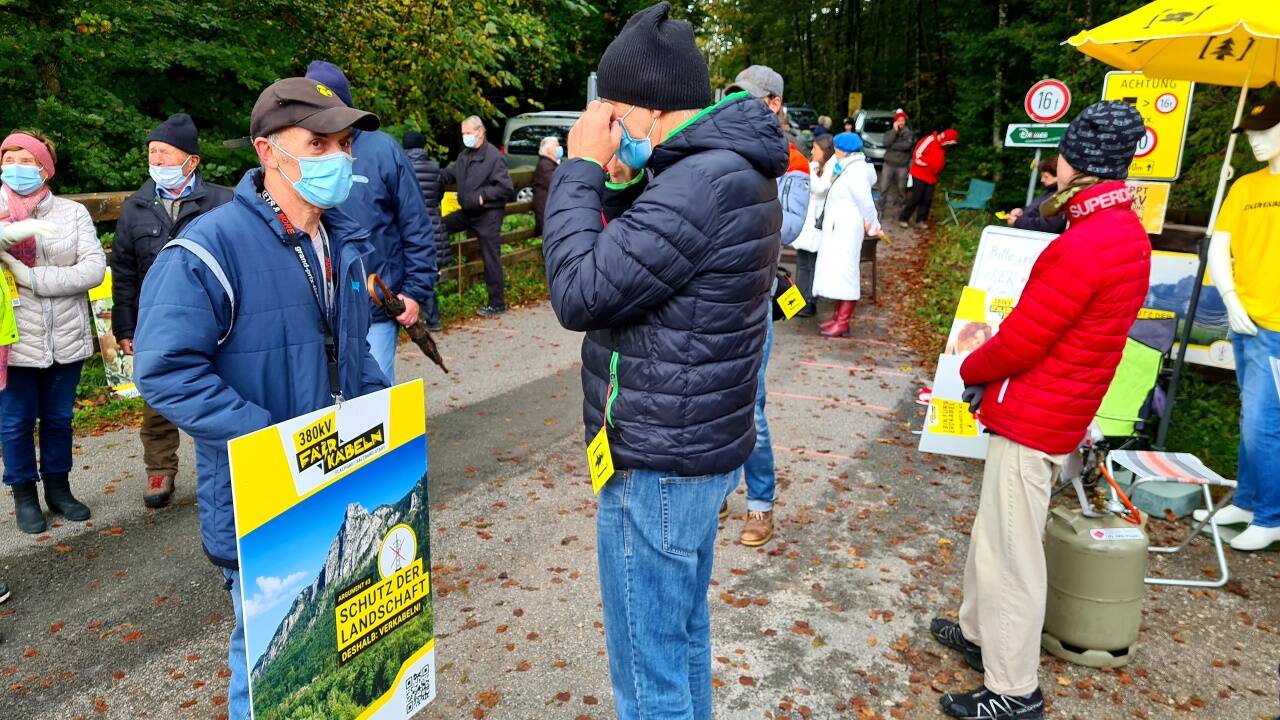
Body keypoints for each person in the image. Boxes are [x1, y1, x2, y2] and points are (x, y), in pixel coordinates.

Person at [542, 3, 787, 717]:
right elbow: (642, 260)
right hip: (694, 446)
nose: (604, 123)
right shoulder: (718, 168)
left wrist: (581, 169)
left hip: (657, 462)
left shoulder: (698, 183)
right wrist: (619, 180)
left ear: (644, 109)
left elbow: (579, 290)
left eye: (609, 109)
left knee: (648, 672)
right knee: (679, 638)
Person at [133, 78, 390, 720]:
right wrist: (267, 436)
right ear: (269, 151)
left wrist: (383, 419)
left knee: (345, 643)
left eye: (345, 142)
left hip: (341, 476)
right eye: (318, 142)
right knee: (268, 663)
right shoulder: (208, 248)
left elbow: (350, 349)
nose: (339, 158)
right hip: (263, 497)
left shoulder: (341, 239)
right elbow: (164, 369)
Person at [930, 101, 1149, 720]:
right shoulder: (1124, 234)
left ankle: (1013, 687)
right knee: (993, 532)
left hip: (1035, 414)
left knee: (1011, 553)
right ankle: (978, 634)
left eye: (1060, 155)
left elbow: (1025, 338)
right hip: (1059, 407)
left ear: (1075, 161)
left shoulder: (1086, 244)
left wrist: (968, 368)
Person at [111, 114, 233, 509]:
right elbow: (125, 273)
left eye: (165, 153)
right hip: (157, 320)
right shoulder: (137, 206)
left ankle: (233, 463)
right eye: (153, 153)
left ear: (192, 161)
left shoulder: (223, 201)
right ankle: (159, 468)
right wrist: (125, 326)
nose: (157, 160)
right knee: (158, 397)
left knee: (223, 390)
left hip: (217, 318)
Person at [722, 63, 810, 547]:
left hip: (754, 293)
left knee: (749, 404)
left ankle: (760, 505)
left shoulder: (792, 161)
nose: (741, 103)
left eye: (751, 97)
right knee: (712, 394)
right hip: (715, 294)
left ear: (774, 102)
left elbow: (791, 227)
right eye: (736, 95)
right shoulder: (721, 147)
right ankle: (716, 488)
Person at [0, 130, 105, 535]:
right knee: (15, 421)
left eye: (26, 160)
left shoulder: (71, 213)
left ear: (45, 168)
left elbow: (92, 269)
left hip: (65, 334)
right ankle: (24, 494)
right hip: (13, 338)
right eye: (9, 158)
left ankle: (59, 489)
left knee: (59, 419)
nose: (16, 167)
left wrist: (31, 276)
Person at [305, 62, 438, 379]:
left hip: (374, 305)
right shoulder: (297, 153)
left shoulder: (383, 150)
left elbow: (415, 224)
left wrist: (415, 291)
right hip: (315, 311)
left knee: (372, 397)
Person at [1197, 95, 1280, 551]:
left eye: (1266, 131)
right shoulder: (1245, 187)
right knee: (1253, 417)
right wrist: (1229, 299)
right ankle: (1248, 502)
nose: (1256, 142)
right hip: (1244, 319)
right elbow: (1219, 246)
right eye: (1251, 134)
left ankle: (1270, 514)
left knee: (1263, 424)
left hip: (1276, 326)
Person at [441, 116, 514, 317]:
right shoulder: (465, 156)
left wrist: (483, 196)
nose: (465, 137)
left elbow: (505, 187)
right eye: (463, 133)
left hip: (488, 214)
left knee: (490, 257)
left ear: (479, 132)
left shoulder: (493, 157)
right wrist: (428, 174)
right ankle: (439, 265)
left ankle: (497, 303)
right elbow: (449, 174)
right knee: (439, 226)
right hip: (467, 211)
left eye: (468, 133)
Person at [813, 131, 880, 338]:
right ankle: (837, 317)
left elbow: (866, 203)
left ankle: (842, 322)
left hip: (847, 230)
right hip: (838, 229)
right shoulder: (846, 166)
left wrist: (873, 224)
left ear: (842, 150)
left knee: (847, 274)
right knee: (839, 274)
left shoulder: (856, 171)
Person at [401, 130, 449, 330]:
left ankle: (426, 317)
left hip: (410, 224)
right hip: (433, 223)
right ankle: (432, 318)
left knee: (415, 270)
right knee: (427, 269)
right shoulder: (434, 168)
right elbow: (439, 194)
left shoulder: (402, 167)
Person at [791, 134, 835, 318]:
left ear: (824, 151)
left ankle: (809, 301)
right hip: (808, 223)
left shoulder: (832, 166)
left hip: (817, 225)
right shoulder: (815, 167)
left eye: (815, 148)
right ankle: (799, 300)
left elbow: (820, 189)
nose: (811, 151)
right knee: (802, 263)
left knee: (811, 264)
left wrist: (809, 170)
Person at [899, 127, 959, 227]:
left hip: (932, 177)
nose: (951, 145)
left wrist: (936, 169)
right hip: (919, 174)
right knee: (916, 197)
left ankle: (920, 220)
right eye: (951, 143)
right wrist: (929, 165)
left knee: (927, 199)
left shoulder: (943, 147)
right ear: (947, 140)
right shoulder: (930, 140)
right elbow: (917, 154)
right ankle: (903, 218)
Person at [1005, 158, 1067, 234]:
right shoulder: (1049, 192)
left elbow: (1049, 225)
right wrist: (1022, 211)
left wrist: (1018, 222)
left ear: (1059, 176)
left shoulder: (1061, 197)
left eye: (1046, 176)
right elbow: (1035, 210)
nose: (1042, 180)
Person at [876, 109, 914, 214]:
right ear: (895, 122)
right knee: (883, 187)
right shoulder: (890, 133)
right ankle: (880, 209)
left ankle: (901, 209)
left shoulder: (909, 133)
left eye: (903, 120)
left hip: (902, 165)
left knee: (901, 189)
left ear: (905, 121)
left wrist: (893, 146)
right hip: (888, 164)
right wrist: (894, 131)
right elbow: (886, 143)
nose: (901, 122)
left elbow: (907, 146)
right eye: (899, 120)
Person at [532, 135, 561, 236]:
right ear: (549, 150)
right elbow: (556, 183)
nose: (559, 148)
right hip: (545, 211)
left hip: (549, 210)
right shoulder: (545, 165)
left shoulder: (551, 163)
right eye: (556, 147)